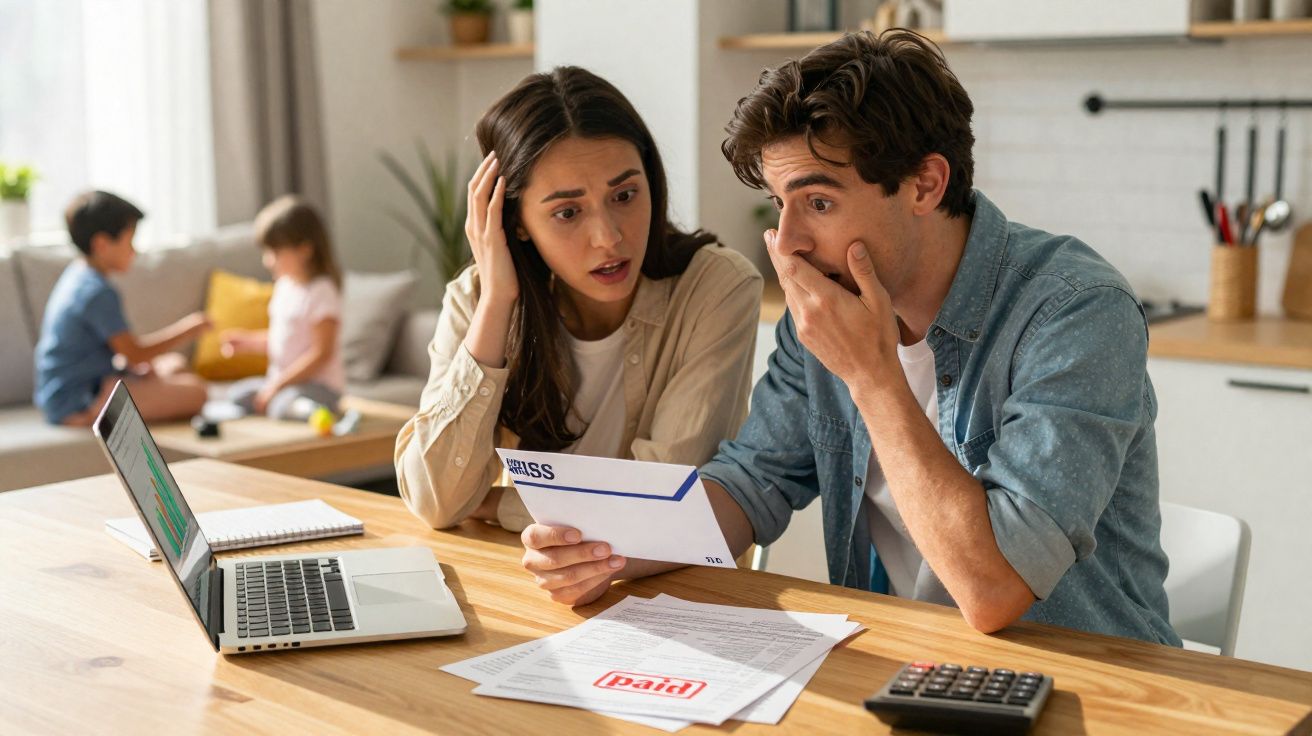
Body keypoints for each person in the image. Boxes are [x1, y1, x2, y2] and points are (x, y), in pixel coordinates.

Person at [518, 31, 1181, 646]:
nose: (790, 241)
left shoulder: (1075, 311)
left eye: (819, 202)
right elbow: (753, 482)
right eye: (779, 204)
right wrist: (605, 552)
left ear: (926, 183)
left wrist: (871, 376)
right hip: (901, 662)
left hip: (1085, 683)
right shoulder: (827, 305)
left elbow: (994, 590)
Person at [395, 66, 763, 544]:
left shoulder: (717, 288)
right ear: (514, 221)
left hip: (668, 581)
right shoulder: (476, 297)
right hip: (528, 572)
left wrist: (497, 505)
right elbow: (436, 502)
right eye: (568, 212)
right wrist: (498, 303)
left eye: (625, 195)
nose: (608, 237)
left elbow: (663, 500)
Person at [35, 190, 210, 426]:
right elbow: (134, 353)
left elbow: (102, 352)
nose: (134, 251)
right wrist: (188, 329)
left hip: (67, 391)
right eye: (129, 241)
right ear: (101, 244)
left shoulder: (78, 274)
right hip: (79, 399)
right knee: (197, 392)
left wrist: (132, 370)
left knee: (175, 365)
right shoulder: (96, 292)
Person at [221, 196, 346, 420]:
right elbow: (283, 340)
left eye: (275, 253)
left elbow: (322, 353)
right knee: (238, 395)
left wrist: (277, 385)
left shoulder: (321, 292)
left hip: (318, 387)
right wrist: (247, 342)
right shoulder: (284, 287)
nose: (268, 261)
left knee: (281, 404)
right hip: (283, 382)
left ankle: (320, 415)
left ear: (304, 250)